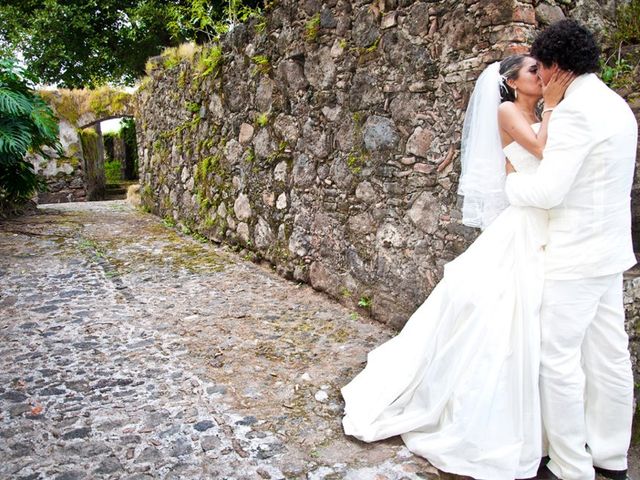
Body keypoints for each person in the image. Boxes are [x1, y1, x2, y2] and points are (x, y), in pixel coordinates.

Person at [341, 55, 571, 480]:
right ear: (512, 82)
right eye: (533, 71)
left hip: (538, 218)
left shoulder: (534, 111)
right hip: (523, 220)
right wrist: (557, 104)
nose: (542, 76)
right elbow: (541, 149)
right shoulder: (507, 110)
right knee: (501, 317)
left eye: (542, 70)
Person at [504, 20, 637, 480]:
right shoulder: (615, 105)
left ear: (558, 66)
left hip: (576, 255)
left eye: (541, 68)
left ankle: (569, 465)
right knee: (608, 355)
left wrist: (511, 185)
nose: (539, 78)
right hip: (610, 252)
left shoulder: (578, 111)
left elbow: (549, 191)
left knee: (557, 359)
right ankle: (611, 456)